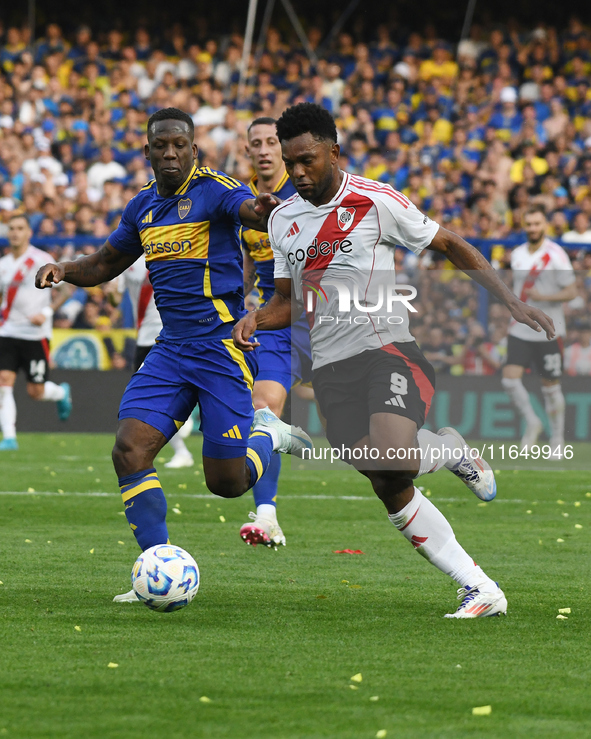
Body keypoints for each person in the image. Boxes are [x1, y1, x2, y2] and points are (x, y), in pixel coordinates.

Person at [233, 103, 554, 618]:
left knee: (395, 457)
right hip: (330, 370)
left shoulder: (375, 201)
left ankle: (449, 450)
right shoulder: (284, 220)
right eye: (291, 163)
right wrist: (255, 318)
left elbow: (448, 243)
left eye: (307, 160)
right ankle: (480, 588)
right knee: (388, 482)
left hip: (386, 352)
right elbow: (287, 301)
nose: (297, 173)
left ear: (333, 152)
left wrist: (510, 300)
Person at [36, 107, 312, 602]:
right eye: (160, 145)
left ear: (193, 150)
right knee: (129, 449)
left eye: (179, 145)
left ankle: (267, 433)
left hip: (221, 348)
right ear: (147, 151)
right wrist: (63, 269)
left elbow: (248, 209)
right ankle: (154, 568)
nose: (169, 153)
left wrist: (265, 208)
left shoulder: (216, 189)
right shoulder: (142, 208)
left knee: (226, 484)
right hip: (171, 349)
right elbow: (104, 263)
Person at [239, 117, 313, 548]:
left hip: (327, 318)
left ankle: (447, 451)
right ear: (249, 150)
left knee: (378, 439)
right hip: (278, 319)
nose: (264, 150)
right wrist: (240, 302)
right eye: (257, 144)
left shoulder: (305, 189)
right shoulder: (243, 201)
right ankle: (267, 516)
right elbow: (249, 260)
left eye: (272, 143)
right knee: (264, 411)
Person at [501, 205, 578, 452]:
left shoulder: (556, 255)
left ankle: (557, 439)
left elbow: (572, 291)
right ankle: (533, 422)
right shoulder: (518, 254)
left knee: (551, 388)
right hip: (520, 328)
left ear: (544, 225)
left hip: (549, 329)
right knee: (509, 381)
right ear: (524, 226)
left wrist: (544, 296)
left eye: (537, 224)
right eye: (529, 224)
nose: (533, 228)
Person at [0, 213, 72, 450]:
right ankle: (9, 437)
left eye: (20, 228)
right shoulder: (3, 265)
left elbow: (66, 289)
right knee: (4, 381)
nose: (14, 232)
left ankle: (61, 393)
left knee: (35, 391)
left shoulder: (41, 260)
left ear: (29, 233)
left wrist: (47, 313)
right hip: (8, 332)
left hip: (35, 335)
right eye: (11, 228)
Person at [116, 255, 195, 468]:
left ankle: (187, 422)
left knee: (176, 384)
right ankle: (182, 451)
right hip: (144, 335)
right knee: (149, 394)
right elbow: (116, 298)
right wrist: (111, 291)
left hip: (172, 331)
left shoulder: (169, 250)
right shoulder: (126, 258)